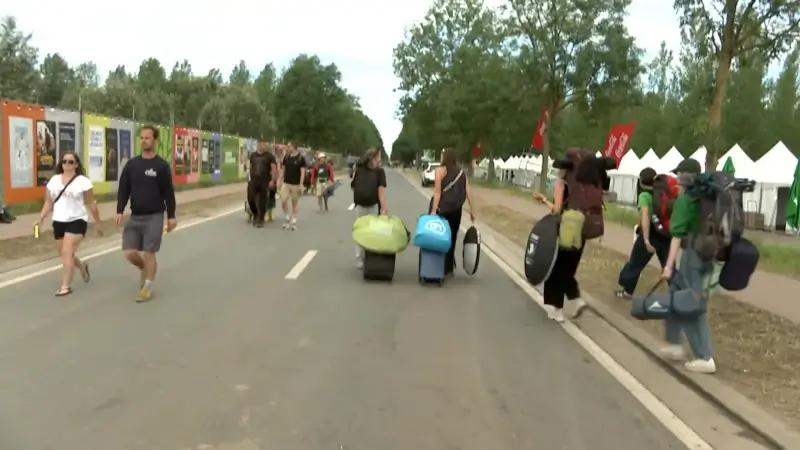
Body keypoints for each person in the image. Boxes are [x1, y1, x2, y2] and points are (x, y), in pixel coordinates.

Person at [533, 154, 607, 322]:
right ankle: (576, 299)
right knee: (568, 269)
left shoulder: (561, 183)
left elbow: (557, 209)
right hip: (580, 231)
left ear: (563, 169)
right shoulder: (584, 184)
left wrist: (544, 200)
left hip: (564, 230)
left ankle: (557, 309)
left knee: (555, 269)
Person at [659, 157, 716, 373]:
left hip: (692, 255)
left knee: (692, 302)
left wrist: (668, 266)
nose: (676, 179)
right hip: (708, 253)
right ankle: (674, 344)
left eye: (678, 175)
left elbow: (676, 236)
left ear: (683, 177)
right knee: (676, 294)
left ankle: (704, 356)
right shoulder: (707, 196)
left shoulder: (685, 201)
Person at [116, 125, 177, 302]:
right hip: (135, 216)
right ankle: (145, 268)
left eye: (147, 138)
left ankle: (147, 287)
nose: (144, 141)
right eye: (141, 138)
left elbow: (168, 193)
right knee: (129, 252)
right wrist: (120, 209)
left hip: (154, 216)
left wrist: (171, 216)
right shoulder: (132, 165)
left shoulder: (161, 166)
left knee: (149, 253)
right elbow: (124, 189)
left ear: (155, 140)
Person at [37, 152, 101, 296]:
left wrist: (98, 223)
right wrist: (41, 217)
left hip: (77, 220)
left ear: (76, 165)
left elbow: (91, 202)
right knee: (65, 253)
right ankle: (82, 267)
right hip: (59, 221)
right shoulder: (54, 180)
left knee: (67, 251)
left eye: (71, 162)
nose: (67, 164)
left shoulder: (83, 181)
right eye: (64, 161)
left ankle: (65, 286)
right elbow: (48, 202)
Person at [616, 167, 671, 298]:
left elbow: (645, 217)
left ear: (641, 181)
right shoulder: (665, 194)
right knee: (669, 265)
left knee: (636, 262)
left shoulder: (644, 196)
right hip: (666, 234)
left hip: (651, 234)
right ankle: (680, 294)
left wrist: (646, 239)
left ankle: (627, 291)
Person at [428, 147, 476, 276]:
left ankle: (438, 263)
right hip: (456, 210)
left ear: (445, 157)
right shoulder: (462, 173)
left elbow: (437, 193)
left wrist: (433, 211)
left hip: (442, 209)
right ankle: (449, 266)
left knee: (439, 237)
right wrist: (472, 210)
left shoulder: (439, 171)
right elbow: (468, 191)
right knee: (452, 237)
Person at [351, 147, 388, 269]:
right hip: (373, 206)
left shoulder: (360, 169)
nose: (380, 159)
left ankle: (359, 259)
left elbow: (353, 186)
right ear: (374, 157)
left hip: (359, 205)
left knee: (360, 231)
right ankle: (370, 257)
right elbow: (381, 192)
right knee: (372, 232)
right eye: (379, 157)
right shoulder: (379, 172)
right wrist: (384, 209)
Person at [247, 142, 278, 227]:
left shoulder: (269, 156)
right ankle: (255, 214)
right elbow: (250, 166)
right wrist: (248, 177)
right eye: (263, 145)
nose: (264, 147)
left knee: (262, 201)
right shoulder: (253, 155)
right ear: (259, 146)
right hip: (253, 180)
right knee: (250, 198)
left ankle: (261, 220)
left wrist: (273, 180)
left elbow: (274, 168)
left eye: (265, 146)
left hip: (264, 181)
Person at [278, 142, 306, 230]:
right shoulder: (287, 157)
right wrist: (279, 179)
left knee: (294, 202)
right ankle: (287, 216)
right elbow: (283, 169)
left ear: (294, 147)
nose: (287, 148)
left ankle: (294, 219)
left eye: (289, 146)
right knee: (283, 200)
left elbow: (302, 172)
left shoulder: (301, 158)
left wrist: (301, 184)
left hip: (295, 184)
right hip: (286, 183)